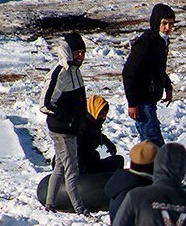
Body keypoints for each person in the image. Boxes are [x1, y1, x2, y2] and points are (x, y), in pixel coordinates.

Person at [40, 32, 89, 216]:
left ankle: (50, 204)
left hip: (71, 128)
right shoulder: (60, 73)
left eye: (83, 52)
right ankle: (80, 208)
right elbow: (44, 104)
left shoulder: (75, 71)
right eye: (77, 52)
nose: (81, 56)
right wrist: (68, 118)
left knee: (60, 167)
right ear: (69, 52)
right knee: (71, 170)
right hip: (62, 130)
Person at [122, 3, 175, 147]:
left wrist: (167, 86)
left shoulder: (161, 41)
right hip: (141, 100)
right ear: (156, 22)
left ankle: (151, 168)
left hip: (149, 98)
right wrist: (132, 102)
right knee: (153, 142)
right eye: (164, 23)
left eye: (171, 24)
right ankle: (159, 168)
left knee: (150, 142)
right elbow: (128, 73)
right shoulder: (146, 43)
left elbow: (157, 68)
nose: (168, 28)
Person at [77, 95, 124, 174]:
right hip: (82, 171)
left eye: (105, 113)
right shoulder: (83, 128)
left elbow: (96, 134)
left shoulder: (90, 123)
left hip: (86, 165)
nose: (104, 117)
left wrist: (107, 142)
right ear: (94, 110)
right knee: (117, 161)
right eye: (101, 113)